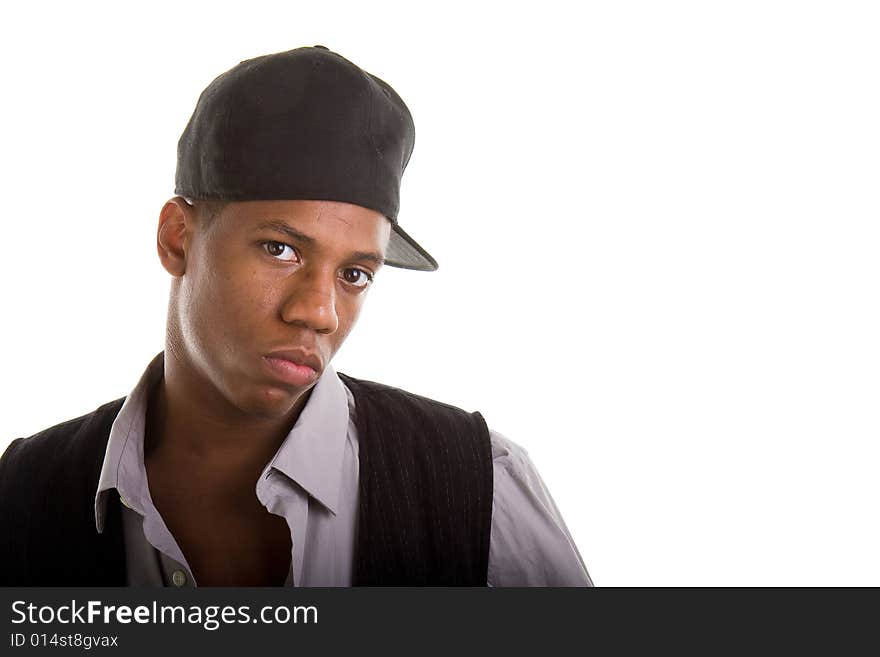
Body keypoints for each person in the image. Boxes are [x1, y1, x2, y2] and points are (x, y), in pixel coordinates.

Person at [0, 46, 592, 587]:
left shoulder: (479, 488)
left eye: (354, 273)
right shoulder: (24, 493)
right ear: (178, 238)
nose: (319, 312)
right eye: (281, 250)